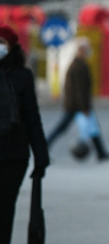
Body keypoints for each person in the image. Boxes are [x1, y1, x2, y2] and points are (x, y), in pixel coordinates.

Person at [0, 25, 49, 244]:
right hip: (12, 153)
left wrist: (41, 156)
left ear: (11, 47)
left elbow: (32, 118)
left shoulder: (23, 76)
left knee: (5, 209)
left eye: (2, 43)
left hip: (13, 156)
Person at [46, 38, 109, 160]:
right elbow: (80, 90)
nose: (88, 52)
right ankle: (44, 149)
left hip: (77, 104)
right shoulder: (78, 66)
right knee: (63, 128)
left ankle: (101, 153)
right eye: (86, 49)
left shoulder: (78, 64)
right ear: (81, 50)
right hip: (77, 105)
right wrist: (84, 108)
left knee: (93, 128)